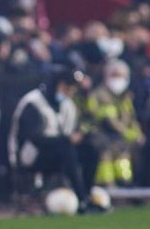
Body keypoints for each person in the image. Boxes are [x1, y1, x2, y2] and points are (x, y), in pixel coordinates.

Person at [8, 66, 92, 211]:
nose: (70, 92)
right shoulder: (33, 102)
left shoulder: (68, 105)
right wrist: (66, 140)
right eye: (66, 87)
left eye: (72, 88)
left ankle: (87, 194)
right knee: (67, 149)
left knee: (90, 150)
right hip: (29, 155)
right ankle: (82, 199)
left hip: (57, 151)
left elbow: (69, 131)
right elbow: (34, 138)